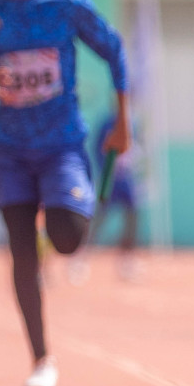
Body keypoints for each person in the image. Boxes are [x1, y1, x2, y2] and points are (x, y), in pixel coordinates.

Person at [0, 0, 129, 386]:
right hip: (8, 149)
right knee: (20, 248)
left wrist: (123, 121)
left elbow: (114, 50)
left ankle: (62, 221)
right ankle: (41, 357)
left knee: (69, 236)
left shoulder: (65, 2)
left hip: (61, 144)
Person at [69, 114, 144, 285]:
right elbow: (98, 150)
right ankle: (80, 259)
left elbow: (137, 150)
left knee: (132, 218)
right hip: (110, 179)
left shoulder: (134, 122)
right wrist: (107, 170)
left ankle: (127, 260)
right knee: (98, 220)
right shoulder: (106, 124)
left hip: (127, 180)